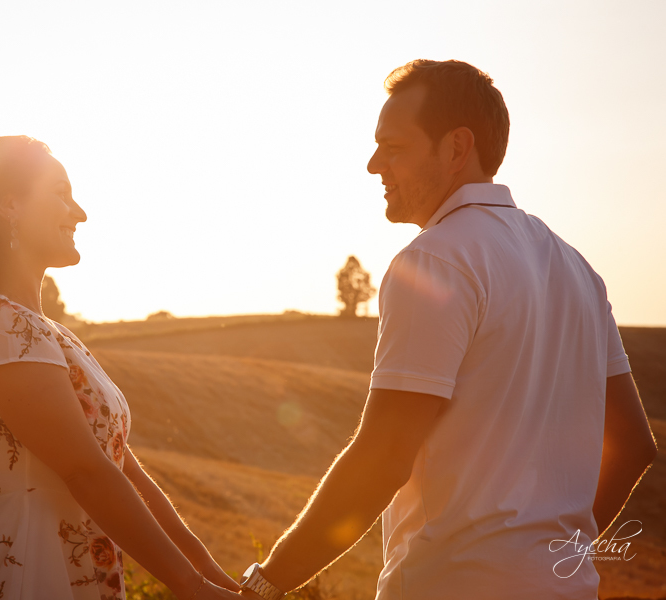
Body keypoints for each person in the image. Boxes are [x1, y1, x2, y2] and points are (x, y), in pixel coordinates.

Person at [236, 60, 658, 600]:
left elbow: (384, 455)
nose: (372, 165)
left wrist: (265, 585)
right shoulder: (577, 268)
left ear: (457, 148)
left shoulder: (435, 261)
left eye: (393, 147)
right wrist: (557, 559)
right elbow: (632, 444)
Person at [0, 136, 240, 600]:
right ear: (9, 206)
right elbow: (87, 472)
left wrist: (215, 577)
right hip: (26, 568)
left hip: (77, 570)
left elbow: (123, 472)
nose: (79, 212)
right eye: (61, 193)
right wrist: (190, 587)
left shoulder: (46, 333)